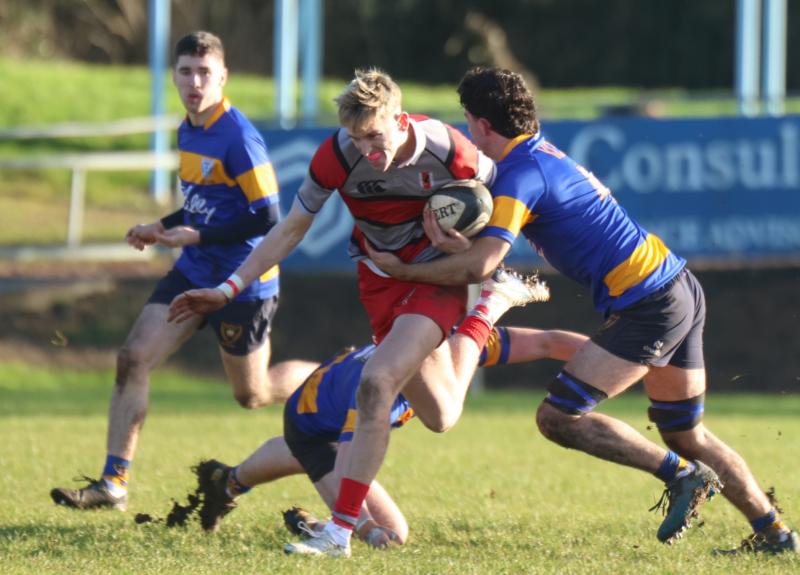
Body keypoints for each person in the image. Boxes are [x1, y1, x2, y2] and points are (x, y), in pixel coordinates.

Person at [366, 66, 798, 555]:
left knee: (559, 417)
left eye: (469, 122)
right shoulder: (537, 155)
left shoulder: (519, 174)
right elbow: (494, 247)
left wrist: (403, 271)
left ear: (482, 124)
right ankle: (776, 534)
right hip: (676, 285)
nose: (469, 133)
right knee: (684, 430)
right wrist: (464, 246)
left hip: (650, 303)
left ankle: (682, 478)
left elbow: (483, 263)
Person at [168, 68, 555, 556]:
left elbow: (505, 202)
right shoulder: (337, 155)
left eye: (374, 135)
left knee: (376, 382)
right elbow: (290, 229)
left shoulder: (447, 146)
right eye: (357, 137)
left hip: (435, 279)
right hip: (380, 283)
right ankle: (493, 306)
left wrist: (470, 248)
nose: (367, 149)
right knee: (441, 414)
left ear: (399, 117)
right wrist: (228, 288)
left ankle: (338, 533)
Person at [50, 31, 317, 512]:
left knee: (252, 393)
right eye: (186, 72)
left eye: (205, 73)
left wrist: (197, 236)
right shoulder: (187, 128)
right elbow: (202, 203)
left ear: (223, 77)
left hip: (242, 281)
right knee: (132, 358)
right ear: (174, 75)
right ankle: (113, 483)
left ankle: (337, 375)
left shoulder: (239, 137)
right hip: (193, 271)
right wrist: (162, 225)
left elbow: (268, 217)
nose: (195, 82)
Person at [188, 324, 587, 551]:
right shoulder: (380, 387)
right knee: (389, 536)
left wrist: (612, 359)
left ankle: (228, 481)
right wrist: (357, 527)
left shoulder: (449, 345)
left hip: (324, 407)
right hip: (310, 427)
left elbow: (546, 342)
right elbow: (347, 460)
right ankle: (313, 527)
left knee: (316, 465)